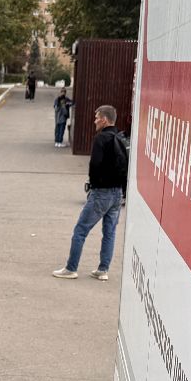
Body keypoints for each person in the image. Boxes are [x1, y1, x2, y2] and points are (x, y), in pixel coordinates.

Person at [53, 105, 129, 280]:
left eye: (96, 118)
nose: (95, 121)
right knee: (109, 232)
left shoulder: (101, 139)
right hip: (117, 194)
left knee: (80, 230)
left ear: (104, 119)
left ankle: (71, 268)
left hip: (101, 193)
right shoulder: (120, 137)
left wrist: (93, 187)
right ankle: (103, 270)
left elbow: (94, 165)